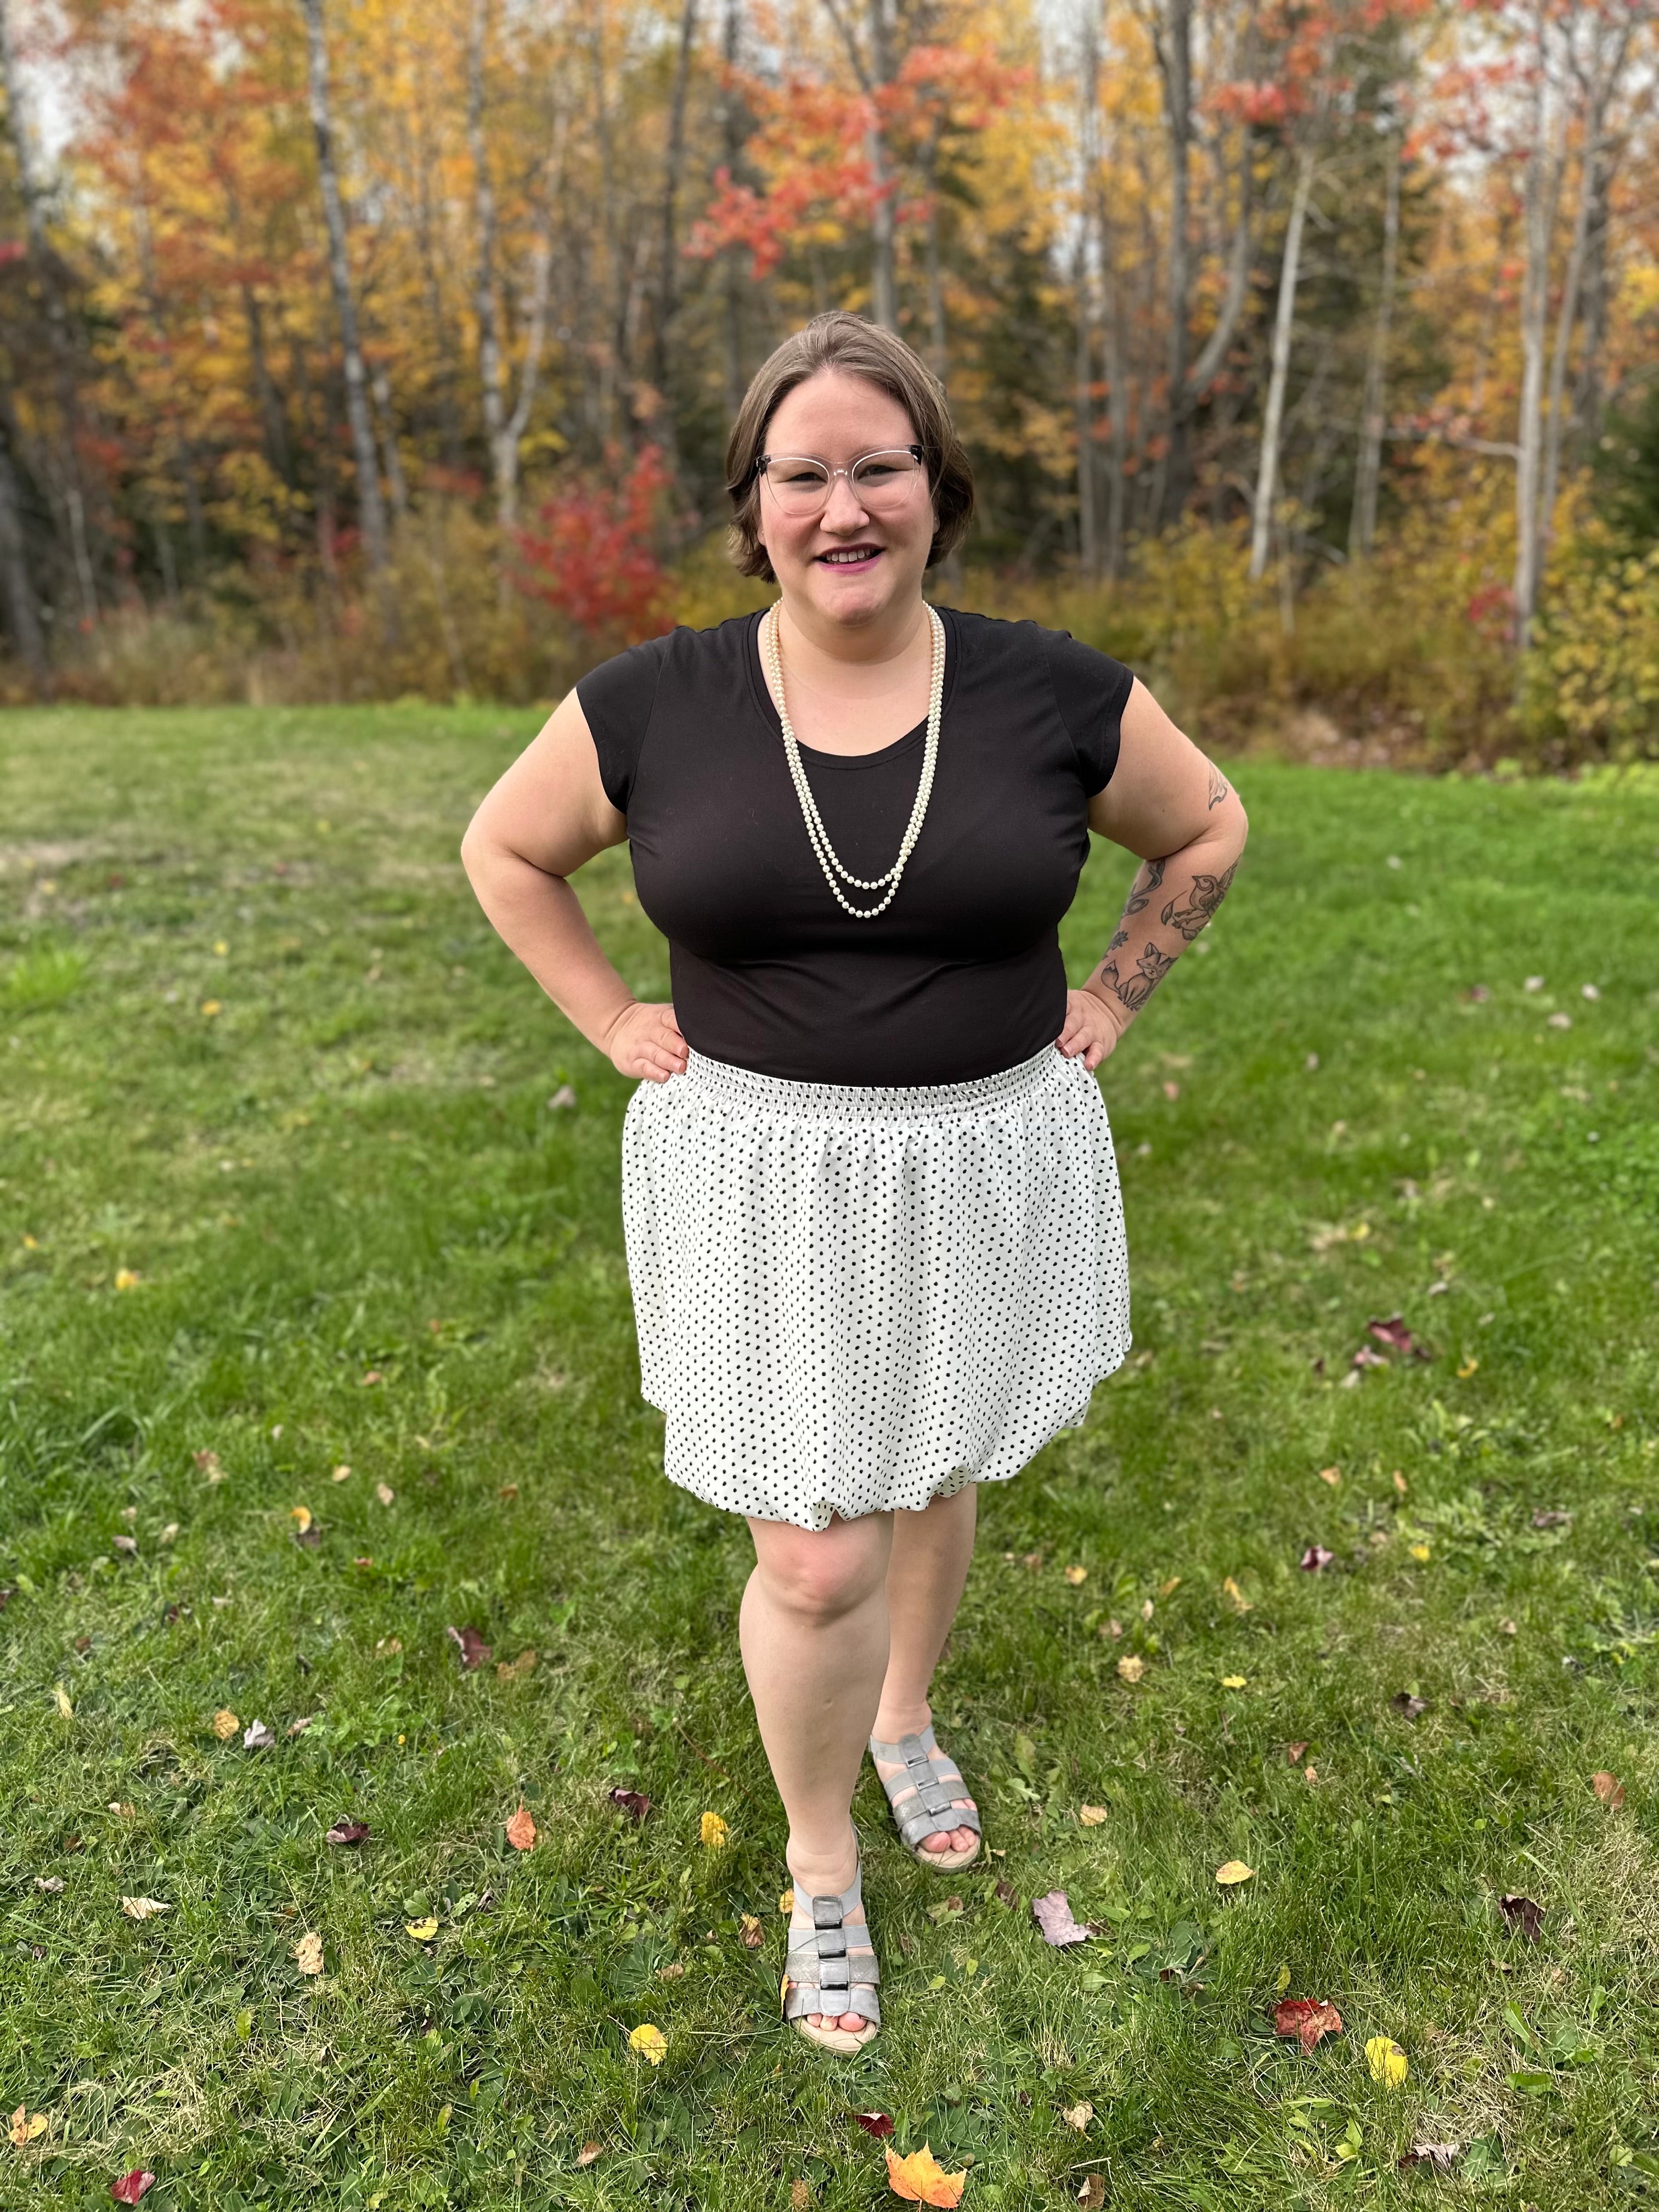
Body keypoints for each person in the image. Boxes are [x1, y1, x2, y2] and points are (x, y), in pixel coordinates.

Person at [460, 311, 1248, 2056]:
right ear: (753, 506)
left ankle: (905, 1716)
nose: (843, 507)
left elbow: (1208, 825)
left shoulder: (1054, 691)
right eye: (802, 474)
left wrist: (1113, 992)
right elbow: (504, 851)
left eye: (876, 466)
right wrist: (605, 1013)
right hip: (763, 1171)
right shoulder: (657, 700)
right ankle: (823, 1862)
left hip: (982, 1154)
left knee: (938, 1458)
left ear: (935, 488)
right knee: (817, 1551)